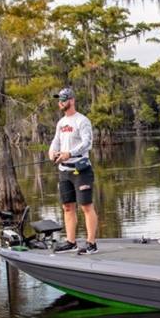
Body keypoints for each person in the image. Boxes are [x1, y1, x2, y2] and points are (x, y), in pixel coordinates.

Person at [46, 86, 99, 254]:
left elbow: (87, 144)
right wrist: (52, 152)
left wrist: (70, 153)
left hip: (81, 169)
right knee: (67, 207)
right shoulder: (61, 123)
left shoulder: (82, 120)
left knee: (86, 206)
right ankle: (71, 242)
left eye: (63, 99)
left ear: (72, 101)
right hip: (64, 171)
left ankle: (91, 244)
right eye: (59, 100)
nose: (60, 103)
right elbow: (56, 141)